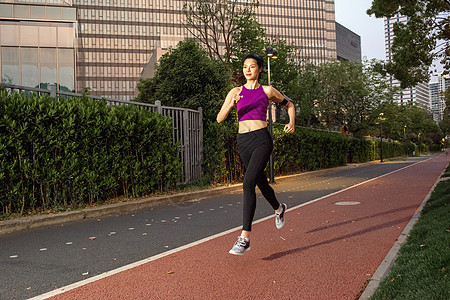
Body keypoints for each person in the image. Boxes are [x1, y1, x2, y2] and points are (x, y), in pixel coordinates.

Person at [216, 54, 296, 255]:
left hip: (261, 139)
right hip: (243, 142)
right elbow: (219, 118)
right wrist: (230, 104)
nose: (248, 70)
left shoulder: (267, 91)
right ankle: (279, 208)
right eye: (245, 67)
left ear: (260, 69)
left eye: (252, 66)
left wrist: (291, 122)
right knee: (260, 182)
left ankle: (245, 238)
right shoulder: (235, 91)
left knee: (247, 183)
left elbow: (290, 104)